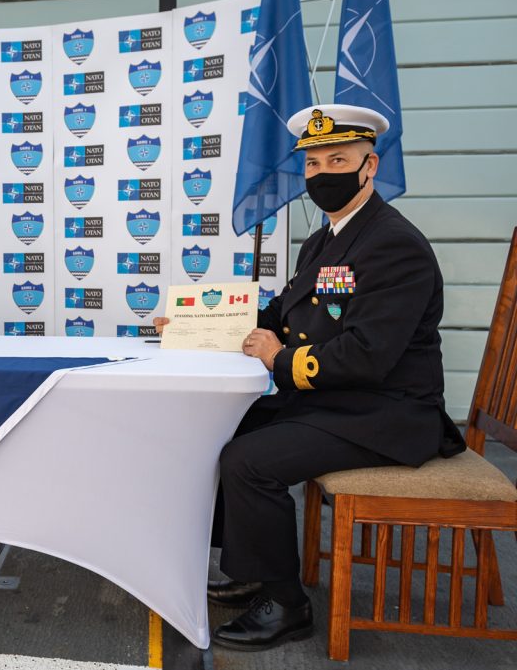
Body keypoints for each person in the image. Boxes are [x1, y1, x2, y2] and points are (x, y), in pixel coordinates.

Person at [154, 105, 464, 650]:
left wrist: (278, 361)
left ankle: (287, 605)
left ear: (369, 167)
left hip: (387, 413)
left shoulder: (393, 243)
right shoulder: (325, 240)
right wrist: (193, 324)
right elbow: (280, 317)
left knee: (248, 461)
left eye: (337, 160)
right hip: (339, 402)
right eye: (314, 164)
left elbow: (367, 355)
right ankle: (253, 569)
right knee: (228, 427)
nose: (322, 174)